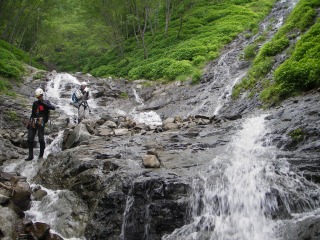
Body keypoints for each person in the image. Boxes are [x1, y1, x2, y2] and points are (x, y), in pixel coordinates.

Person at [25, 88, 55, 161]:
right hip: (34, 120)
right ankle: (30, 156)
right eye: (37, 97)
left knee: (41, 139)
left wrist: (43, 104)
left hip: (41, 121)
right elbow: (32, 114)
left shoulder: (46, 102)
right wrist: (29, 123)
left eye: (39, 96)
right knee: (30, 139)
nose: (38, 98)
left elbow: (53, 108)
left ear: (42, 95)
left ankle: (41, 156)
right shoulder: (35, 103)